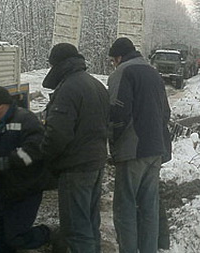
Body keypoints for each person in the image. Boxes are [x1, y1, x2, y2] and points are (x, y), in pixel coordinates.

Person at [40, 43, 110, 253]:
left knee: (76, 229)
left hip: (76, 167)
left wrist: (44, 157)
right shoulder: (95, 84)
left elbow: (58, 134)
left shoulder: (69, 88)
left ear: (58, 64)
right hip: (96, 162)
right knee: (90, 223)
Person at [107, 37, 171, 253]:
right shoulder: (153, 72)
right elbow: (166, 113)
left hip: (132, 150)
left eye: (113, 60)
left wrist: (113, 143)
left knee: (124, 207)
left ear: (118, 57)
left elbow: (117, 113)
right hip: (156, 149)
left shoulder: (123, 72)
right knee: (148, 207)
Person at [0, 86, 50, 252]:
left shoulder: (26, 120)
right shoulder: (3, 123)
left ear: (0, 105)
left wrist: (9, 161)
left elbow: (35, 149)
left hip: (25, 190)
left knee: (15, 238)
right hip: (7, 191)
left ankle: (49, 234)